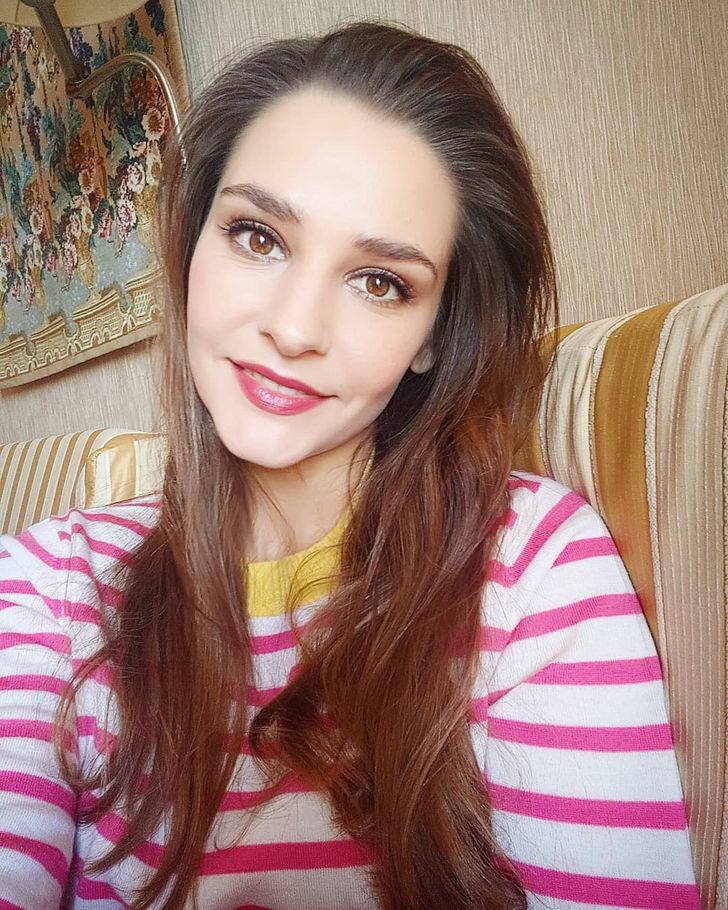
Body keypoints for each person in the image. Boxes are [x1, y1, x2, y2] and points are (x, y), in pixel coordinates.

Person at [0, 21, 701, 910]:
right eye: (258, 236)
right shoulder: (50, 584)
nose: (295, 329)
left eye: (380, 282)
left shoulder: (533, 571)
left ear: (432, 338)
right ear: (189, 248)